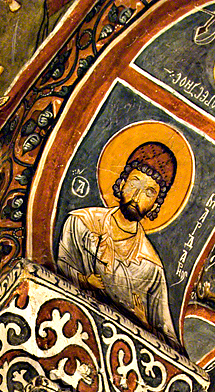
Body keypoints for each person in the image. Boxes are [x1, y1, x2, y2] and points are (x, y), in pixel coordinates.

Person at [57, 141, 178, 346]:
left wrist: (143, 323)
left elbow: (170, 345)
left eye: (149, 192)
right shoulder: (81, 223)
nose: (137, 196)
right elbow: (57, 269)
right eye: (134, 184)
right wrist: (84, 281)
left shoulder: (151, 269)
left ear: (157, 203)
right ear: (122, 183)